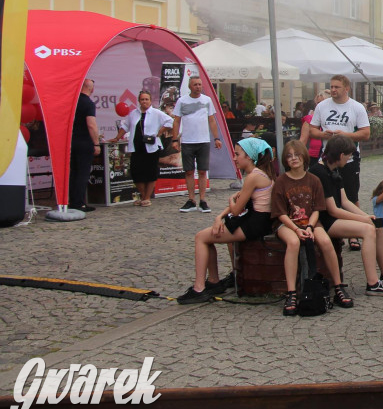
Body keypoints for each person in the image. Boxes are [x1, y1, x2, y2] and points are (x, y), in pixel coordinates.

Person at [176, 139, 276, 304]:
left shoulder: (254, 177)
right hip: (256, 220)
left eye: (237, 154)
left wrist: (230, 199)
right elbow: (238, 205)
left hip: (255, 223)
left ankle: (199, 288)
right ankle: (213, 281)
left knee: (201, 237)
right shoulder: (259, 174)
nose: (235, 158)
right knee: (206, 237)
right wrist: (219, 217)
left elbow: (236, 208)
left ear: (249, 157)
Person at [311, 135, 383, 299]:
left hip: (333, 217)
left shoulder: (333, 169)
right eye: (348, 156)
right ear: (340, 155)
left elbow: (345, 201)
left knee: (377, 223)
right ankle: (372, 283)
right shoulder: (319, 172)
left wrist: (367, 216)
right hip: (324, 221)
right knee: (368, 230)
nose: (349, 159)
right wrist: (363, 220)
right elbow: (333, 210)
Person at [272, 140, 346, 316]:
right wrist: (297, 229)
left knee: (326, 242)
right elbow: (280, 213)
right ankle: (291, 293)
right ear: (285, 159)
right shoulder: (281, 182)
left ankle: (338, 287)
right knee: (293, 243)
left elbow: (318, 209)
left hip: (311, 221)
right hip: (287, 223)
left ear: (304, 156)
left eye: (297, 155)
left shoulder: (313, 180)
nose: (294, 159)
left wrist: (310, 226)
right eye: (289, 156)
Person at [309, 75, 371, 246]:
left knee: (351, 194)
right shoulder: (322, 106)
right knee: (328, 195)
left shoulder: (356, 107)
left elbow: (365, 134)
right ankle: (333, 228)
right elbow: (312, 130)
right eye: (332, 86)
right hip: (327, 158)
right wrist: (323, 134)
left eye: (337, 87)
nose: (333, 90)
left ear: (346, 88)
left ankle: (354, 233)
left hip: (349, 158)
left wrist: (345, 135)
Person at [108, 90, 173, 207]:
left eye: (146, 99)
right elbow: (125, 126)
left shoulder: (156, 113)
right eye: (142, 99)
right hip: (136, 147)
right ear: (139, 101)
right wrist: (117, 137)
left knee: (150, 172)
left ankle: (147, 197)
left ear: (150, 100)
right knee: (136, 172)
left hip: (151, 147)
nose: (144, 102)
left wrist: (160, 132)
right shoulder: (133, 113)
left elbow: (170, 121)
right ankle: (143, 196)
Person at [171, 75, 223, 214]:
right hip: (188, 141)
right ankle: (191, 199)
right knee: (188, 171)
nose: (198, 87)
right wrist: (175, 139)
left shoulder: (207, 100)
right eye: (195, 84)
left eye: (200, 84)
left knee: (202, 171)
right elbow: (176, 121)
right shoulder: (182, 101)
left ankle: (203, 199)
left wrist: (216, 138)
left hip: (203, 141)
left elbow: (211, 120)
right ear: (190, 86)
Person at [69, 78, 100, 213]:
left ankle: (71, 200)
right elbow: (91, 125)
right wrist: (96, 143)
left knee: (73, 173)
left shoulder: (72, 102)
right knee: (82, 173)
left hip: (71, 142)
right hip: (84, 142)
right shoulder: (88, 103)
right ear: (91, 89)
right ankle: (79, 203)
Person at [299, 90, 331, 161]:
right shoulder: (310, 119)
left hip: (331, 154)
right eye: (318, 103)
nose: (320, 105)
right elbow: (303, 140)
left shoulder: (334, 119)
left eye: (323, 102)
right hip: (314, 156)